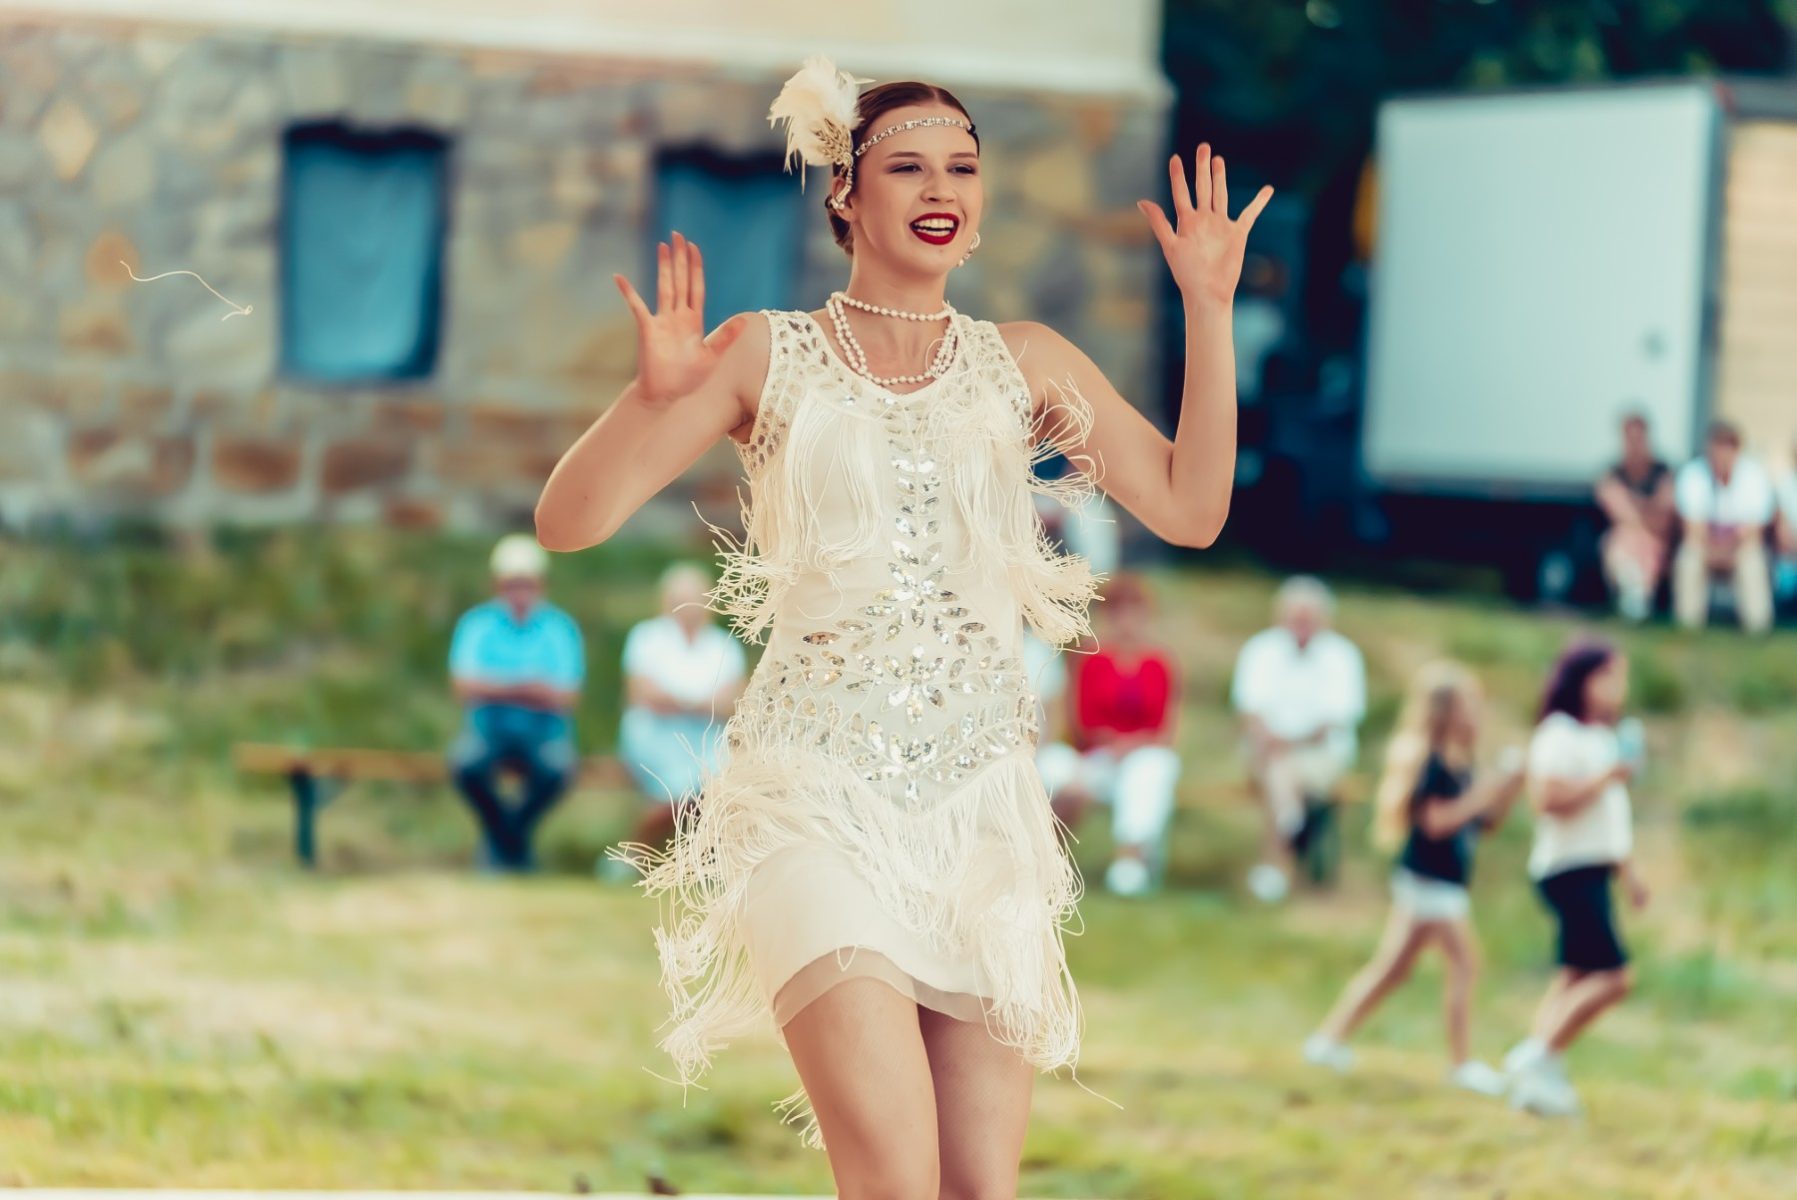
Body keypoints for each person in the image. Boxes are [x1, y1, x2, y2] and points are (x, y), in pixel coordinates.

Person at [534, 55, 1271, 1194]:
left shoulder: (1024, 362)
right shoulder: (765, 352)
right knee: (893, 1177)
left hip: (982, 812)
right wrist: (650, 400)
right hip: (815, 798)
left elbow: (1191, 506)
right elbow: (568, 521)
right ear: (845, 192)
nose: (942, 189)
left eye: (963, 168)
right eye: (908, 167)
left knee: (977, 1188)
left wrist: (1209, 312)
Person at [1302, 662, 1525, 1094]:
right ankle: (1461, 1064)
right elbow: (1436, 823)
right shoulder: (1432, 764)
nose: (1477, 712)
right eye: (1468, 704)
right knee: (1464, 964)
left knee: (1393, 969)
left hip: (1442, 882)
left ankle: (1327, 1039)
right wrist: (1484, 792)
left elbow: (1484, 824)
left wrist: (1506, 789)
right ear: (1445, 712)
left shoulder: (1460, 765)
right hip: (1430, 881)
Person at [1504, 639, 1648, 1117]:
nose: (1616, 688)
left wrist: (1629, 873)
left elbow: (1610, 822)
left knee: (1575, 975)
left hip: (1595, 866)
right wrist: (1605, 778)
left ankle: (1539, 1070)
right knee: (1614, 977)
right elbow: (1548, 799)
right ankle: (1538, 1055)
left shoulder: (1602, 738)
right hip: (1569, 867)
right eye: (1607, 676)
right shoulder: (1559, 734)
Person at [1036, 573, 1182, 897]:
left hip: (1141, 755)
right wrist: (1111, 743)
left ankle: (1130, 859)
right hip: (1097, 756)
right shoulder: (1090, 660)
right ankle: (1044, 861)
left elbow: (1166, 729)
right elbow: (1080, 722)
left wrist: (1131, 745)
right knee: (1062, 776)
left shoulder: (1160, 664)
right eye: (1119, 612)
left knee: (1150, 771)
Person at [446, 534, 585, 872]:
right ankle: (514, 845)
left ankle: (504, 842)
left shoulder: (559, 627)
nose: (520, 593)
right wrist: (528, 688)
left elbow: (568, 696)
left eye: (526, 584)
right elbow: (463, 686)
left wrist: (497, 687)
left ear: (541, 585)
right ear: (498, 585)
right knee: (465, 765)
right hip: (489, 730)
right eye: (513, 584)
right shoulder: (477, 624)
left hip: (544, 733)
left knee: (559, 769)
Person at [603, 563, 746, 877]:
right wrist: (700, 703)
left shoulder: (723, 644)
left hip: (707, 740)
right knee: (683, 791)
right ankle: (638, 852)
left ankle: (645, 856)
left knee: (716, 786)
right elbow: (642, 694)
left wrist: (678, 701)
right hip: (654, 737)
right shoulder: (647, 637)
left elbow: (732, 702)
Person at [1231, 576, 1366, 903]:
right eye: (1296, 619)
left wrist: (1284, 744)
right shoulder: (1261, 650)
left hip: (1320, 756)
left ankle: (1275, 863)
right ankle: (1290, 828)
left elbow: (1332, 723)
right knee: (1281, 771)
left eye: (1309, 619)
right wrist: (1274, 742)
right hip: (1268, 752)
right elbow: (1249, 712)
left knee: (1280, 773)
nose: (1301, 627)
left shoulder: (1342, 655)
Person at [1672, 421, 1775, 634]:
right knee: (1689, 558)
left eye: (1727, 447)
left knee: (1753, 560)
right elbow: (1693, 530)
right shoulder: (1693, 475)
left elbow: (1753, 532)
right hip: (1705, 545)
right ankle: (1688, 624)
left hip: (1740, 547)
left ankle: (1757, 626)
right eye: (1717, 446)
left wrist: (1728, 550)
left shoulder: (1754, 476)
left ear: (1737, 449)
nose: (1721, 454)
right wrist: (1713, 550)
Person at [1594, 410, 1676, 622]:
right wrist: (1647, 509)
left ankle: (1636, 599)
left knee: (1644, 541)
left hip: (1655, 541)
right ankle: (1635, 597)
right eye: (1630, 439)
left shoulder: (1663, 472)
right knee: (1623, 538)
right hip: (1629, 538)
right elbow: (1619, 513)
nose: (1635, 444)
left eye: (1639, 438)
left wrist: (1635, 508)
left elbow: (1662, 520)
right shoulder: (1612, 473)